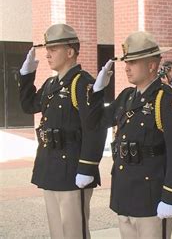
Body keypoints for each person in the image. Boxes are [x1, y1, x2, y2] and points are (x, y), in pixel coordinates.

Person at [88, 31, 172, 238]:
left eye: (133, 62)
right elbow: (95, 121)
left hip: (151, 195)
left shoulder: (168, 100)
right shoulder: (126, 97)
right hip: (125, 191)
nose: (126, 67)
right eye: (126, 62)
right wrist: (98, 90)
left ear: (152, 65)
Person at [18, 23, 107, 239]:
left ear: (70, 52)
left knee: (73, 231)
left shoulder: (82, 83)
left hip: (73, 169)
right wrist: (26, 75)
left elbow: (95, 127)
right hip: (50, 165)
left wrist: (87, 168)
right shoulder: (51, 84)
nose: (47, 54)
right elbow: (29, 105)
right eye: (47, 49)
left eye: (53, 49)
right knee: (57, 231)